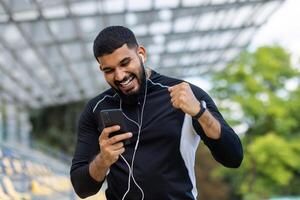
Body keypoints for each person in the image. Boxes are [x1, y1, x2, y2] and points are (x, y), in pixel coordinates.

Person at [70, 25, 243, 200]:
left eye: (125, 63)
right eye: (109, 70)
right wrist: (103, 160)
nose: (120, 76)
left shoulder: (187, 94)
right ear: (101, 69)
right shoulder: (96, 108)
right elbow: (82, 189)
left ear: (141, 54)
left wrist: (200, 112)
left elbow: (233, 157)